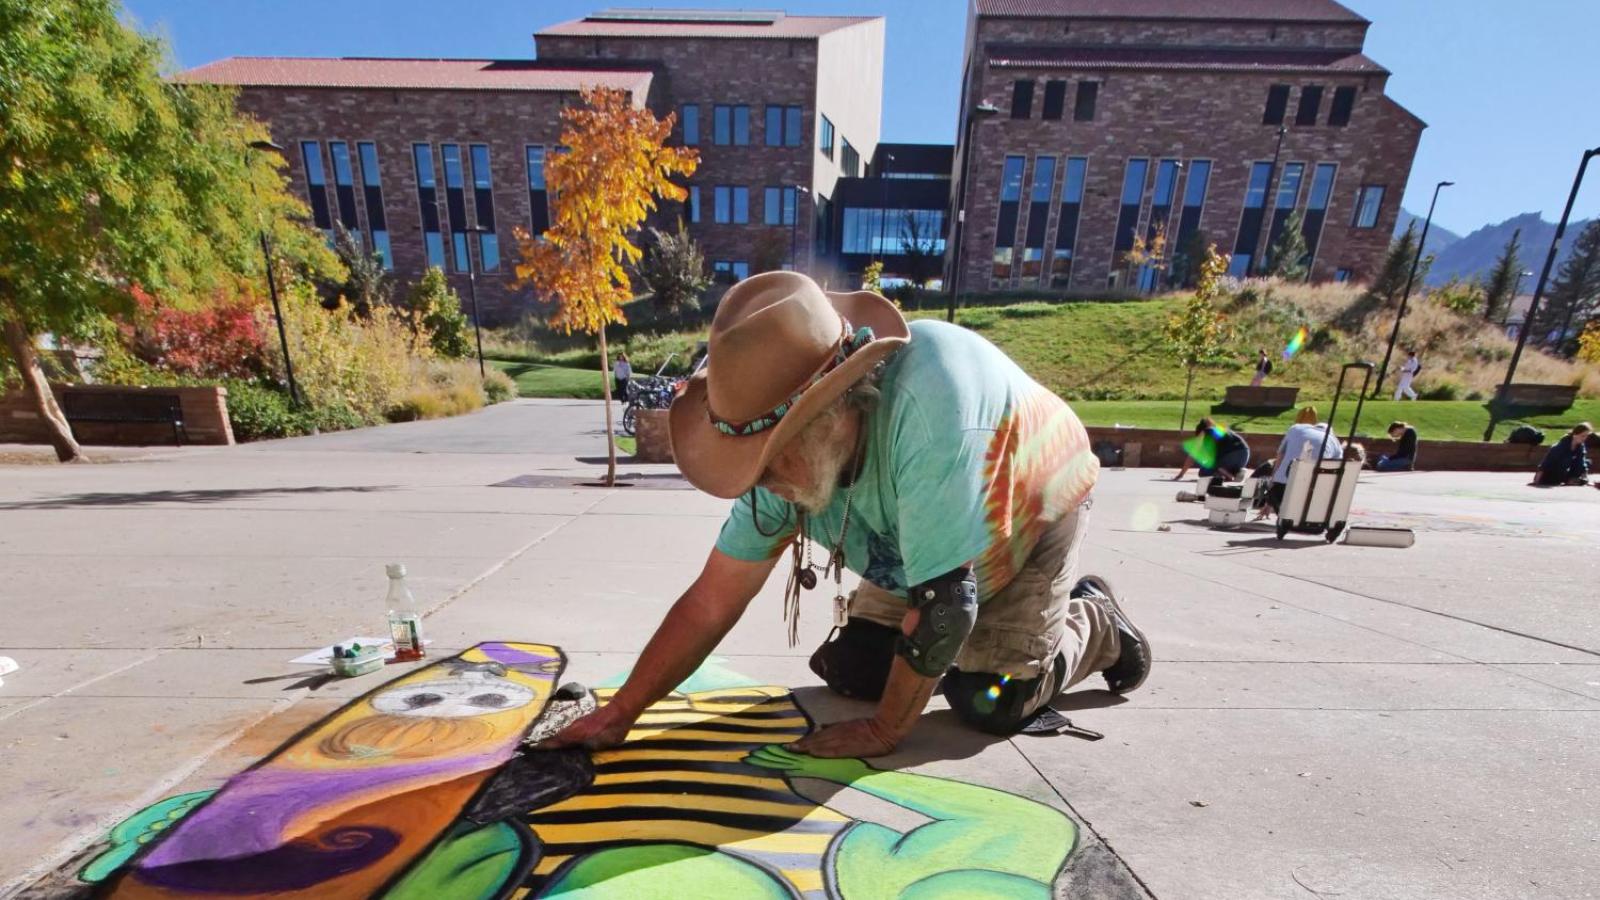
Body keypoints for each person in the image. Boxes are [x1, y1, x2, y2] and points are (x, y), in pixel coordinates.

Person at [544, 271, 1151, 757]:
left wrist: (886, 732)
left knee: (988, 702)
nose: (761, 483)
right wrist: (623, 711)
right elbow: (712, 599)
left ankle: (1092, 623)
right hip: (922, 548)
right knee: (856, 670)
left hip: (1033, 512)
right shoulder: (778, 457)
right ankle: (993, 643)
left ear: (831, 414)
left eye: (770, 459)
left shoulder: (932, 409)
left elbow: (945, 604)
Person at [1260, 405, 1344, 517]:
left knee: (1283, 506)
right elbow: (1336, 470)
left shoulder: (1295, 429)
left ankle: (1283, 511)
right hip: (1310, 493)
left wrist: (1271, 488)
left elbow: (1280, 456)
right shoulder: (1334, 441)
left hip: (1280, 490)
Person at [1174, 418, 1250, 482]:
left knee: (1203, 472)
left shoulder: (1206, 431)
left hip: (1231, 455)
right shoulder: (1222, 429)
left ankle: (1228, 475)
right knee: (1215, 459)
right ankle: (1236, 472)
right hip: (1245, 454)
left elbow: (1192, 455)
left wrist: (1180, 475)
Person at [1533, 422, 1592, 486]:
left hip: (1564, 473)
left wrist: (1585, 478)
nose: (1585, 438)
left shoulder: (1580, 447)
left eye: (1586, 436)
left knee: (1586, 461)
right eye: (1583, 436)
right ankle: (1570, 480)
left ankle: (1572, 479)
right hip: (1550, 474)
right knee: (1566, 460)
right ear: (1575, 435)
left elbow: (1582, 463)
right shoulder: (1560, 446)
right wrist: (1537, 481)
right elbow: (1546, 463)